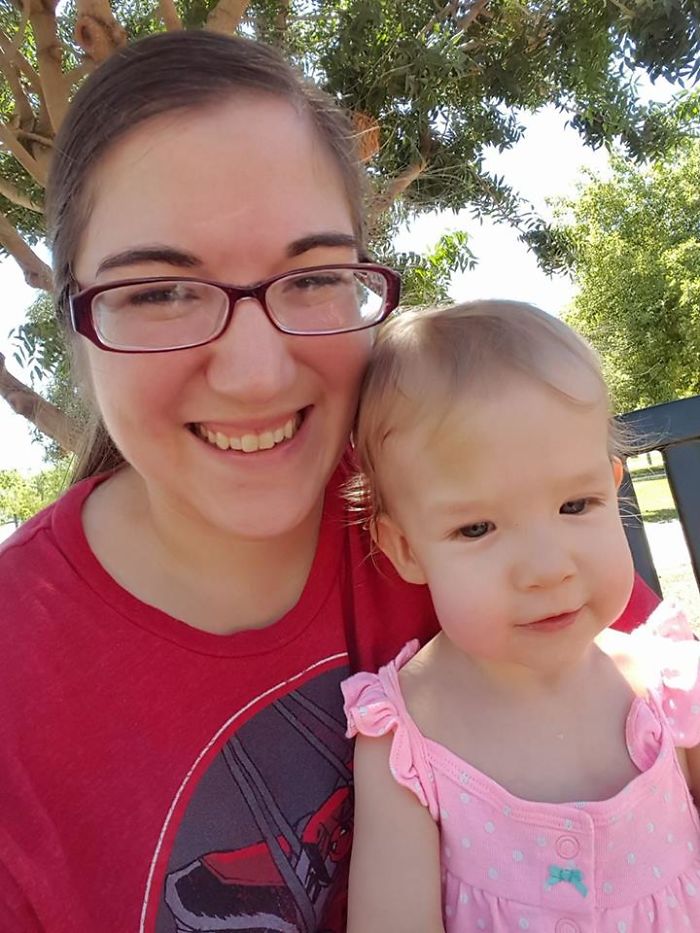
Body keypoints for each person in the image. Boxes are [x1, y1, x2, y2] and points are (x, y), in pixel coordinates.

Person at [0, 31, 655, 933]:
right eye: (159, 292)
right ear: (72, 319)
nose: (257, 374)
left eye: (310, 277)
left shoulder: (455, 503)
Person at [343, 301, 700, 933]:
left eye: (575, 504)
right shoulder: (405, 739)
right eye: (477, 527)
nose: (545, 568)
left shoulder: (666, 683)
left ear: (613, 488)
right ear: (404, 548)